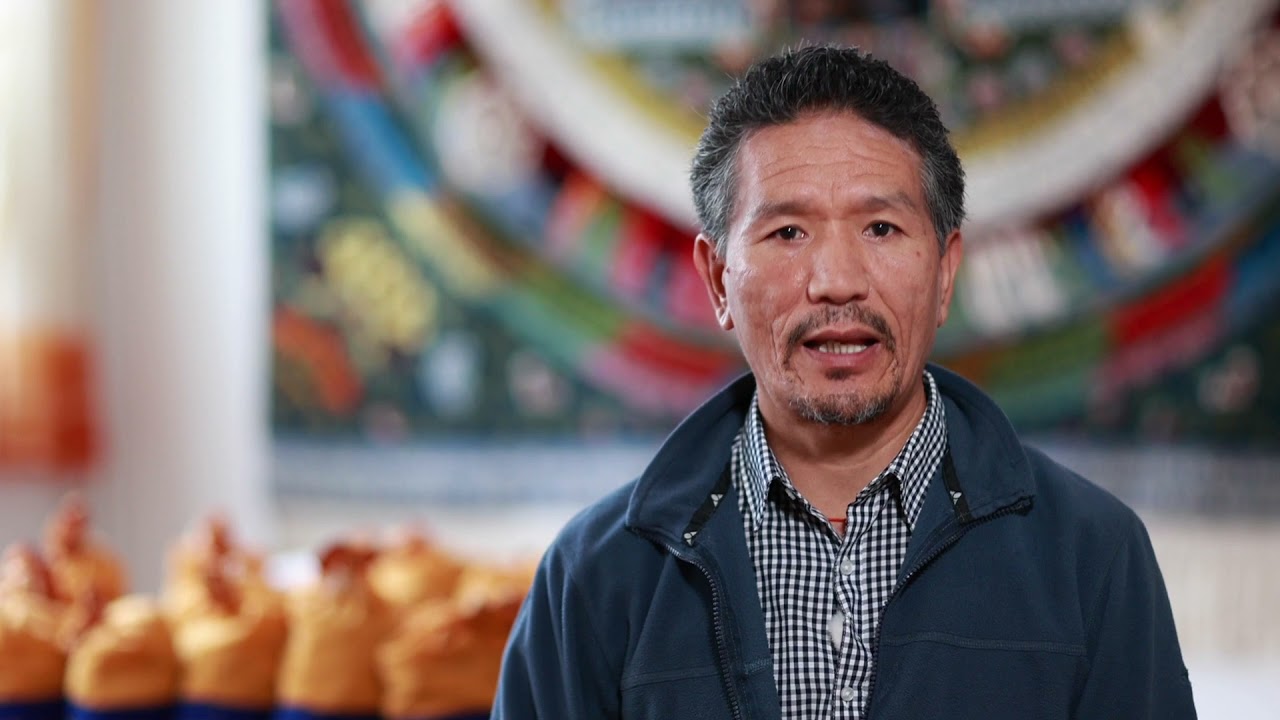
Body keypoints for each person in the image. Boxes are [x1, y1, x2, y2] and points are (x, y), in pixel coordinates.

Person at [493, 45, 1196, 719]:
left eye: (881, 229)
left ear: (945, 272)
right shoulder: (597, 577)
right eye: (788, 233)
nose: (836, 282)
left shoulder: (1090, 558)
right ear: (718, 281)